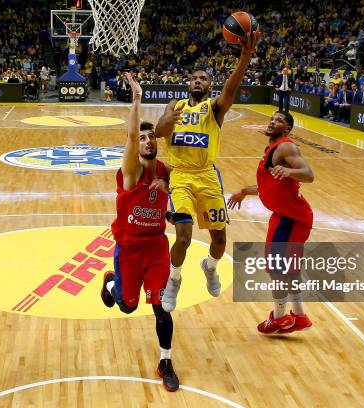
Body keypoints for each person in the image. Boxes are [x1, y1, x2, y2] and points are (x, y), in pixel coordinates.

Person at [155, 32, 260, 312]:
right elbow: (157, 133)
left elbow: (232, 88)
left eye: (203, 78)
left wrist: (245, 56)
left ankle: (210, 267)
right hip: (180, 177)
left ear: (210, 85)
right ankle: (174, 280)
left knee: (219, 239)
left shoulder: (213, 108)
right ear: (188, 84)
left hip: (207, 176)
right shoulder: (174, 106)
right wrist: (168, 119)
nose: (197, 81)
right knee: (184, 236)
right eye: (194, 78)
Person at [100, 73, 179, 392]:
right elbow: (131, 139)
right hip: (129, 249)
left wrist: (174, 206)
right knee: (128, 306)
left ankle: (166, 361)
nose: (147, 141)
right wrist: (136, 98)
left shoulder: (166, 172)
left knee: (163, 305)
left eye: (152, 137)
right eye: (143, 138)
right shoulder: (131, 172)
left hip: (157, 247)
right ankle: (111, 280)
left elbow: (188, 182)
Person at [227, 111, 314, 334]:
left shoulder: (286, 147)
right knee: (289, 268)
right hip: (286, 215)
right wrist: (244, 191)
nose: (273, 121)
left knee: (277, 268)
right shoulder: (272, 150)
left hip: (291, 218)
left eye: (279, 120)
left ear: (287, 129)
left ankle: (280, 317)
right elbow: (269, 187)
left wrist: (290, 170)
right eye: (272, 119)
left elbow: (308, 174)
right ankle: (299, 315)